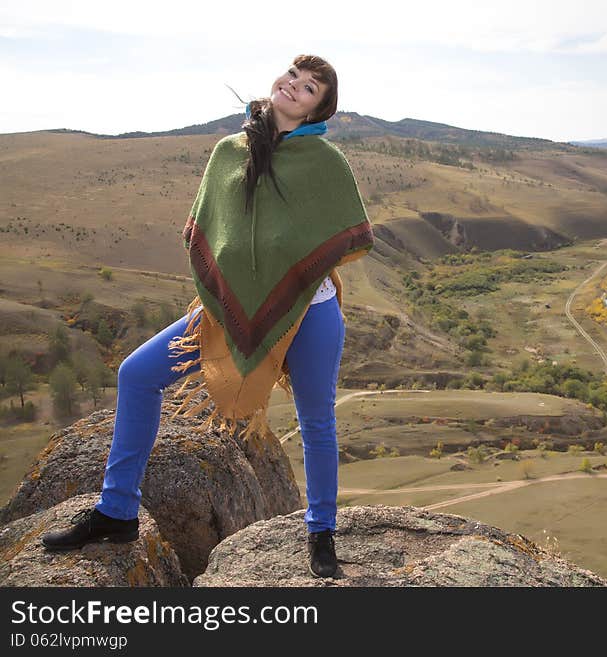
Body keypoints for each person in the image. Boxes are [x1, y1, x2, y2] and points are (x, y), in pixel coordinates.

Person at [41, 55, 375, 580]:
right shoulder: (230, 151)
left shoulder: (325, 163)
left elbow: (344, 234)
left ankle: (322, 533)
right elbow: (211, 231)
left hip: (311, 313)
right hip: (228, 311)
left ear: (318, 109)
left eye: (309, 87)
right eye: (293, 76)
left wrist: (286, 264)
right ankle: (116, 510)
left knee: (317, 421)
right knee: (136, 375)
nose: (294, 86)